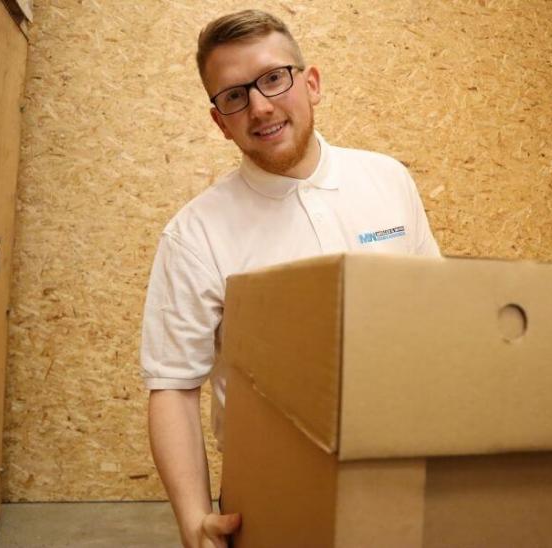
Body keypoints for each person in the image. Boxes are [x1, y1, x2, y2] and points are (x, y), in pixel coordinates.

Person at [140, 9, 442, 548]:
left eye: (273, 78)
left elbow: (441, 315)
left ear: (312, 82)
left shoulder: (389, 180)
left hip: (404, 469)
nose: (259, 106)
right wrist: (192, 519)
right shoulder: (195, 234)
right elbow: (173, 386)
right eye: (233, 96)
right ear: (219, 121)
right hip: (269, 494)